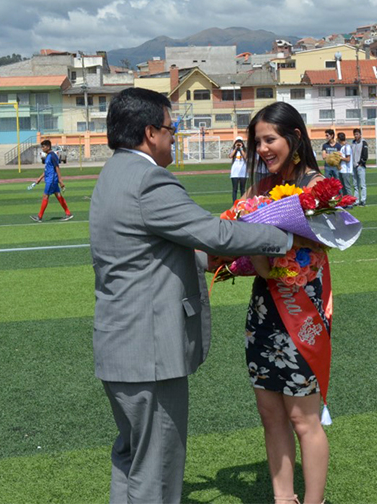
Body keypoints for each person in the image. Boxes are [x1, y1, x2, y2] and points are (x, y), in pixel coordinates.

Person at [88, 88, 295, 504]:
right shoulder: (149, 180)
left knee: (132, 459)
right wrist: (286, 234)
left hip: (120, 346)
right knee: (158, 469)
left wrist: (217, 261)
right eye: (171, 129)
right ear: (150, 133)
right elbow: (214, 232)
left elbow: (161, 248)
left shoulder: (113, 173)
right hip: (150, 351)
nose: (173, 137)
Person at [240, 102, 333, 504]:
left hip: (301, 312)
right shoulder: (259, 189)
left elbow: (324, 240)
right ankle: (283, 499)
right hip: (264, 310)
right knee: (270, 414)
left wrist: (273, 229)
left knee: (302, 418)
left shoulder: (317, 188)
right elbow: (253, 253)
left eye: (270, 139)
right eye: (257, 141)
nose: (262, 149)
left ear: (294, 138)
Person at [29, 139, 73, 222]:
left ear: (48, 147)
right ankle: (68, 213)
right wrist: (39, 178)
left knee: (45, 196)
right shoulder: (48, 156)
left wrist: (60, 180)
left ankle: (39, 217)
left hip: (51, 180)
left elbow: (57, 168)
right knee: (58, 196)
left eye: (43, 146)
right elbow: (47, 170)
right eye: (41, 147)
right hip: (50, 179)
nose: (42, 148)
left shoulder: (53, 156)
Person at [350, 128, 368, 206]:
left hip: (360, 166)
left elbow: (365, 154)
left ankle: (363, 200)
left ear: (360, 134)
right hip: (353, 166)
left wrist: (361, 163)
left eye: (357, 134)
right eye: (355, 134)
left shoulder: (363, 142)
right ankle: (356, 200)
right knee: (355, 184)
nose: (356, 136)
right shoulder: (353, 143)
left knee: (362, 184)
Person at [229, 137, 248, 202]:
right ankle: (234, 202)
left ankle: (242, 201)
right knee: (235, 189)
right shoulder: (233, 150)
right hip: (235, 172)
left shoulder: (245, 150)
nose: (238, 144)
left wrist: (241, 149)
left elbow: (245, 157)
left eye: (240, 143)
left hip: (243, 171)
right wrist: (236, 148)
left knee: (242, 189)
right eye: (237, 143)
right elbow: (230, 156)